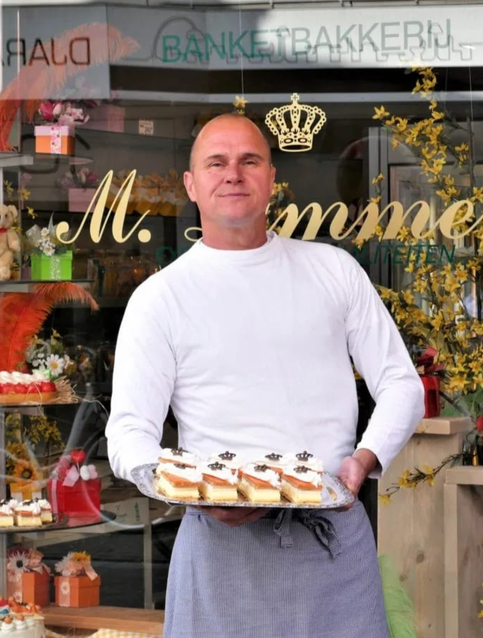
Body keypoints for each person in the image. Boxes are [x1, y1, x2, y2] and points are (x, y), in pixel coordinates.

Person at [106, 113, 425, 638]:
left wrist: (364, 460)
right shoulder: (160, 299)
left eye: (248, 161)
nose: (233, 174)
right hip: (217, 549)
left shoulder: (334, 270)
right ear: (191, 184)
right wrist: (193, 492)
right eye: (216, 163)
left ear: (272, 178)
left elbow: (400, 384)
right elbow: (128, 435)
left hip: (331, 541)